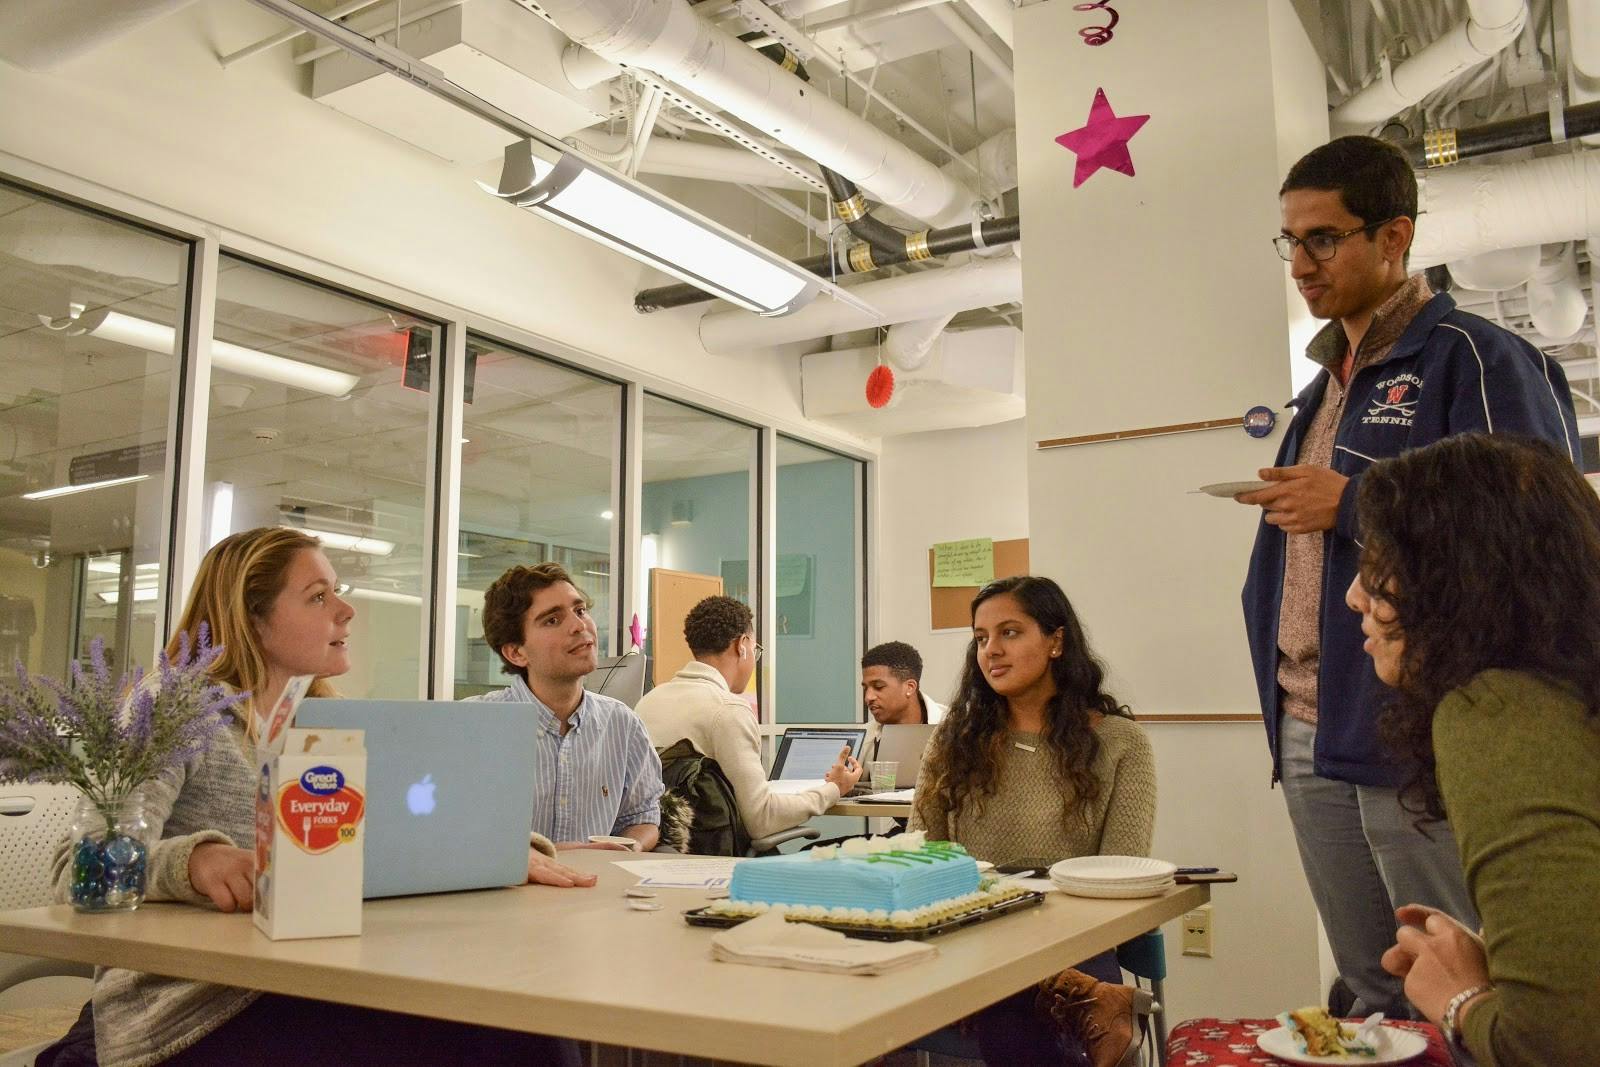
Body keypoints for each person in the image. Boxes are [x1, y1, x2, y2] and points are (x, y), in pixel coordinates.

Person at [1237, 135, 1578, 1018]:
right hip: (1309, 719)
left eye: (1324, 238)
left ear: (1395, 237)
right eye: (1291, 240)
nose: (1302, 263)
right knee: (1372, 984)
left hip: (1416, 726)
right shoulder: (1319, 389)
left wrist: (1349, 503)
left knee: (1458, 985)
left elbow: (1535, 534)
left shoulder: (1478, 357)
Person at [46, 527, 580, 1067]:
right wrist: (195, 862)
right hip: (196, 1008)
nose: (346, 610)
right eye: (319, 597)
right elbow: (76, 870)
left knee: (535, 1034)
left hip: (323, 973)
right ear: (253, 618)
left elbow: (387, 845)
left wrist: (495, 851)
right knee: (513, 1044)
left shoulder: (323, 720)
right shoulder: (170, 706)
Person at [1345, 435, 1600, 1066]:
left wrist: (1459, 998)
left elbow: (1557, 1047)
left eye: (1384, 564)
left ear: (1459, 577)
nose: (1356, 595)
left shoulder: (1497, 711)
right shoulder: (1566, 690)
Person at [911, 575, 1156, 1067]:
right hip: (969, 931)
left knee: (1009, 1006)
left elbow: (1118, 880)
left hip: (1074, 939)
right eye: (981, 638)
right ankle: (1077, 996)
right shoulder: (954, 740)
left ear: (1056, 641)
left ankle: (1050, 986)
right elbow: (923, 851)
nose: (991, 651)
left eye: (1010, 632)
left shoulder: (1120, 742)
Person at [472, 562, 664, 853]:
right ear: (516, 652)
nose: (579, 626)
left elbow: (643, 816)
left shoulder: (622, 723)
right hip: (504, 892)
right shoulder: (474, 725)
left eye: (580, 610)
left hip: (597, 889)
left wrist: (628, 848)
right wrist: (563, 855)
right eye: (552, 620)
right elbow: (453, 835)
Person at [634, 595, 861, 841]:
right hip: (715, 859)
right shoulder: (729, 710)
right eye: (755, 650)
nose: (754, 659)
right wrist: (834, 789)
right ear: (741, 645)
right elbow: (762, 819)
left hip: (661, 852)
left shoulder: (648, 702)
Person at [860, 640, 946, 762]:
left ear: (909, 687)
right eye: (865, 688)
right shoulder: (864, 738)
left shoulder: (955, 726)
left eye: (878, 686)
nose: (868, 697)